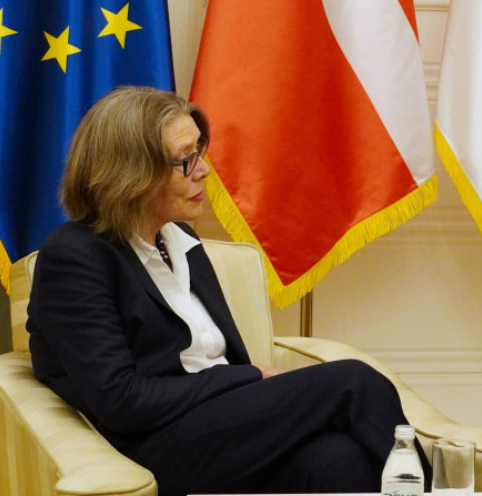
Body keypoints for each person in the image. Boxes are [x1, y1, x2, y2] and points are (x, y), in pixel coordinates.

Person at [27, 86, 428, 496]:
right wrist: (249, 375)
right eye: (185, 160)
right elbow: (122, 400)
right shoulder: (75, 255)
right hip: (155, 443)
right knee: (353, 382)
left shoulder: (180, 239)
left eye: (200, 152)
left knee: (337, 457)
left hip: (224, 426)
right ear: (132, 174)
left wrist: (244, 383)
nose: (203, 170)